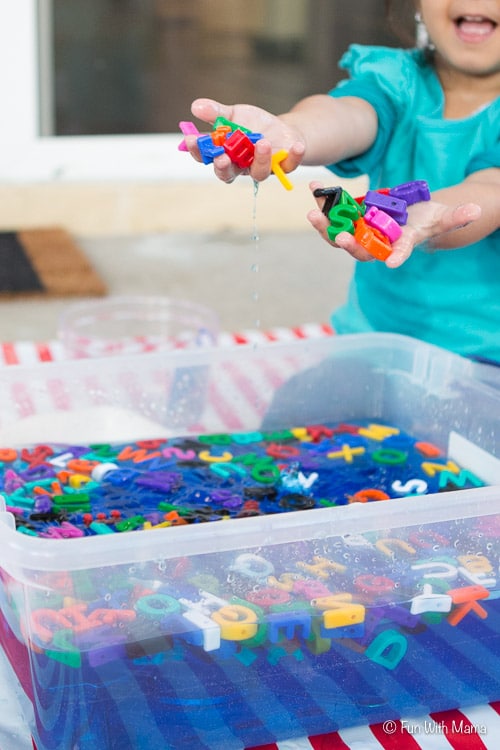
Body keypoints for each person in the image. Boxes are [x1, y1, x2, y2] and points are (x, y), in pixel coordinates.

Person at [185, 0, 500, 363]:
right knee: (289, 413)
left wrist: (436, 214)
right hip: (372, 338)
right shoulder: (395, 79)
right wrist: (294, 131)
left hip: (486, 357)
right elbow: (349, 115)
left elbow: (491, 187)